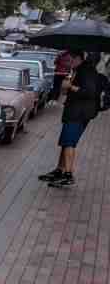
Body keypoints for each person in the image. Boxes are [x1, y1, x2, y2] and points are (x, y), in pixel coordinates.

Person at [39, 51, 100, 188]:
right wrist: (67, 87)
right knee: (65, 142)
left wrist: (70, 86)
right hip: (74, 111)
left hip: (79, 113)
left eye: (70, 60)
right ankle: (59, 170)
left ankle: (68, 175)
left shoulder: (87, 71)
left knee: (69, 143)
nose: (67, 63)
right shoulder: (78, 70)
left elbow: (89, 92)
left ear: (78, 58)